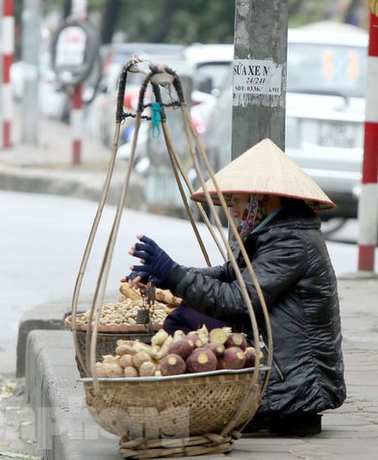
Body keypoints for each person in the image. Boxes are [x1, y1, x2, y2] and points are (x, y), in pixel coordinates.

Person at [125, 138, 346, 436]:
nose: (236, 212)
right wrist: (167, 274)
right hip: (283, 363)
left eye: (239, 202)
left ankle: (249, 404)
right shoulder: (274, 232)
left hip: (299, 383)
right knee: (189, 310)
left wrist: (176, 275)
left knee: (189, 316)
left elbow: (239, 299)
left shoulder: (291, 241)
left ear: (262, 200)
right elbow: (226, 274)